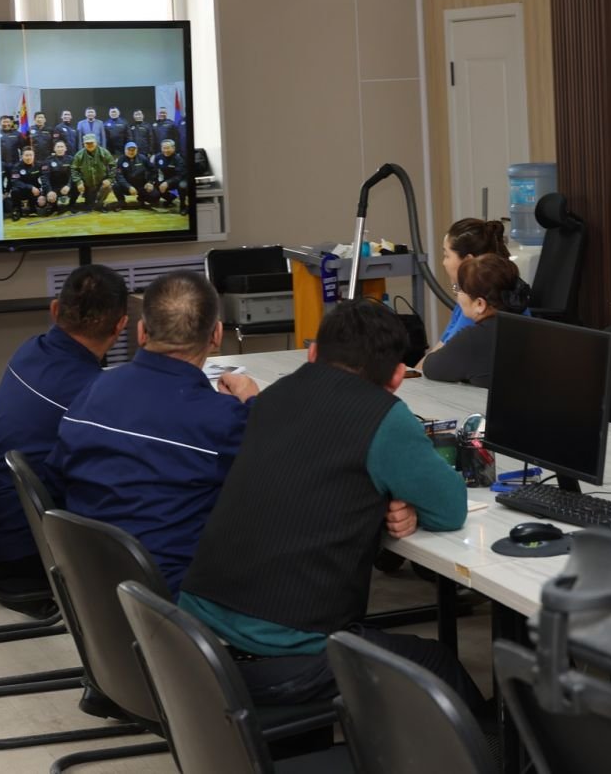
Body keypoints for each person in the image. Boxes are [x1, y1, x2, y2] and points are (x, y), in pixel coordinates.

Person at [179, 300, 481, 713]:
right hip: (287, 652)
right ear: (398, 377)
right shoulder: (385, 418)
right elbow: (449, 509)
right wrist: (401, 499)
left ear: (312, 353)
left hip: (195, 639)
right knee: (439, 666)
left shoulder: (273, 397)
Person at [44, 271, 259, 592]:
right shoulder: (225, 420)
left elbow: (56, 478)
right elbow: (278, 478)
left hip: (92, 584)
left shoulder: (93, 390)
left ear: (141, 331)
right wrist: (253, 403)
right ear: (216, 335)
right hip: (175, 596)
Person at [0, 265, 129, 583]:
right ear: (121, 325)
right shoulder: (92, 397)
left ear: (55, 309)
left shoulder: (29, 351)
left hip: (2, 531)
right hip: (33, 557)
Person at [419, 254, 527, 388]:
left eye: (459, 289)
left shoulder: (473, 338)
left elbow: (431, 367)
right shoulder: (529, 329)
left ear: (480, 304)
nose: (457, 296)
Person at [433, 218, 515, 346]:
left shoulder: (477, 308)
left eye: (447, 255)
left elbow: (445, 353)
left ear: (467, 261)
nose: (444, 263)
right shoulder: (474, 294)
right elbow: (443, 345)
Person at [71, 133, 118, 212]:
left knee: (107, 187)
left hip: (101, 183)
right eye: (87, 143)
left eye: (91, 143)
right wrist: (78, 182)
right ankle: (87, 202)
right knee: (89, 205)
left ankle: (99, 204)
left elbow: (113, 166)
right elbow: (73, 169)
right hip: (87, 185)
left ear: (96, 142)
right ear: (84, 144)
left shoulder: (104, 152)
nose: (90, 145)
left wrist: (110, 179)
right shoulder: (79, 155)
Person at [6, 147, 47, 220]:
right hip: (23, 191)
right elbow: (15, 182)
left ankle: (33, 209)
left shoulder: (38, 165)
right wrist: (30, 187)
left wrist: (43, 194)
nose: (29, 157)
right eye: (26, 155)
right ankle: (17, 210)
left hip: (35, 191)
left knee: (42, 202)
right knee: (15, 191)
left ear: (34, 156)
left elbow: (44, 179)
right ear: (22, 156)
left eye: (31, 155)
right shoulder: (16, 167)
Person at [111, 142, 154, 210]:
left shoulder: (143, 158)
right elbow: (119, 176)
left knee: (155, 196)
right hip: (126, 187)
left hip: (141, 186)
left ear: (136, 150)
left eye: (133, 150)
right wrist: (128, 187)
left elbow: (153, 170)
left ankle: (141, 200)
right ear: (125, 150)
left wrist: (150, 182)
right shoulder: (120, 160)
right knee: (115, 186)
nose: (131, 152)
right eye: (129, 150)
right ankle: (121, 202)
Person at [151, 138, 189, 212]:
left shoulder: (179, 159)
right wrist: (153, 181)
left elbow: (180, 175)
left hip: (180, 179)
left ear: (173, 148)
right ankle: (170, 198)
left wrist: (167, 183)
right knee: (155, 185)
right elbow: (155, 171)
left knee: (182, 186)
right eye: (164, 148)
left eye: (168, 148)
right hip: (167, 179)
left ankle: (183, 206)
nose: (166, 150)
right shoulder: (158, 157)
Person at [42, 139, 78, 214]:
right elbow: (45, 177)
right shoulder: (48, 160)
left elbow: (73, 174)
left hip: (67, 186)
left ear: (65, 148)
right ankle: (53, 206)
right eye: (58, 147)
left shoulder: (71, 159)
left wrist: (68, 185)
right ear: (54, 149)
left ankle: (71, 205)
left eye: (62, 147)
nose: (60, 149)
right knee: (49, 196)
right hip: (54, 186)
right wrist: (49, 191)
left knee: (77, 186)